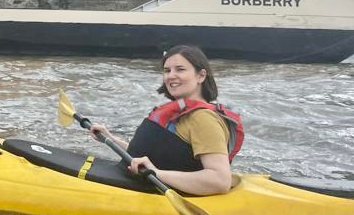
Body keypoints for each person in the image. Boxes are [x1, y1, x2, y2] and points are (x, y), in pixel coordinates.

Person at [88, 45, 243, 196]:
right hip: (135, 180)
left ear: (201, 75)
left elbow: (220, 180)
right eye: (167, 70)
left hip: (154, 191)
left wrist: (157, 173)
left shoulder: (203, 118)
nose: (170, 75)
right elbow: (155, 157)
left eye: (180, 69)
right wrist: (111, 139)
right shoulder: (178, 111)